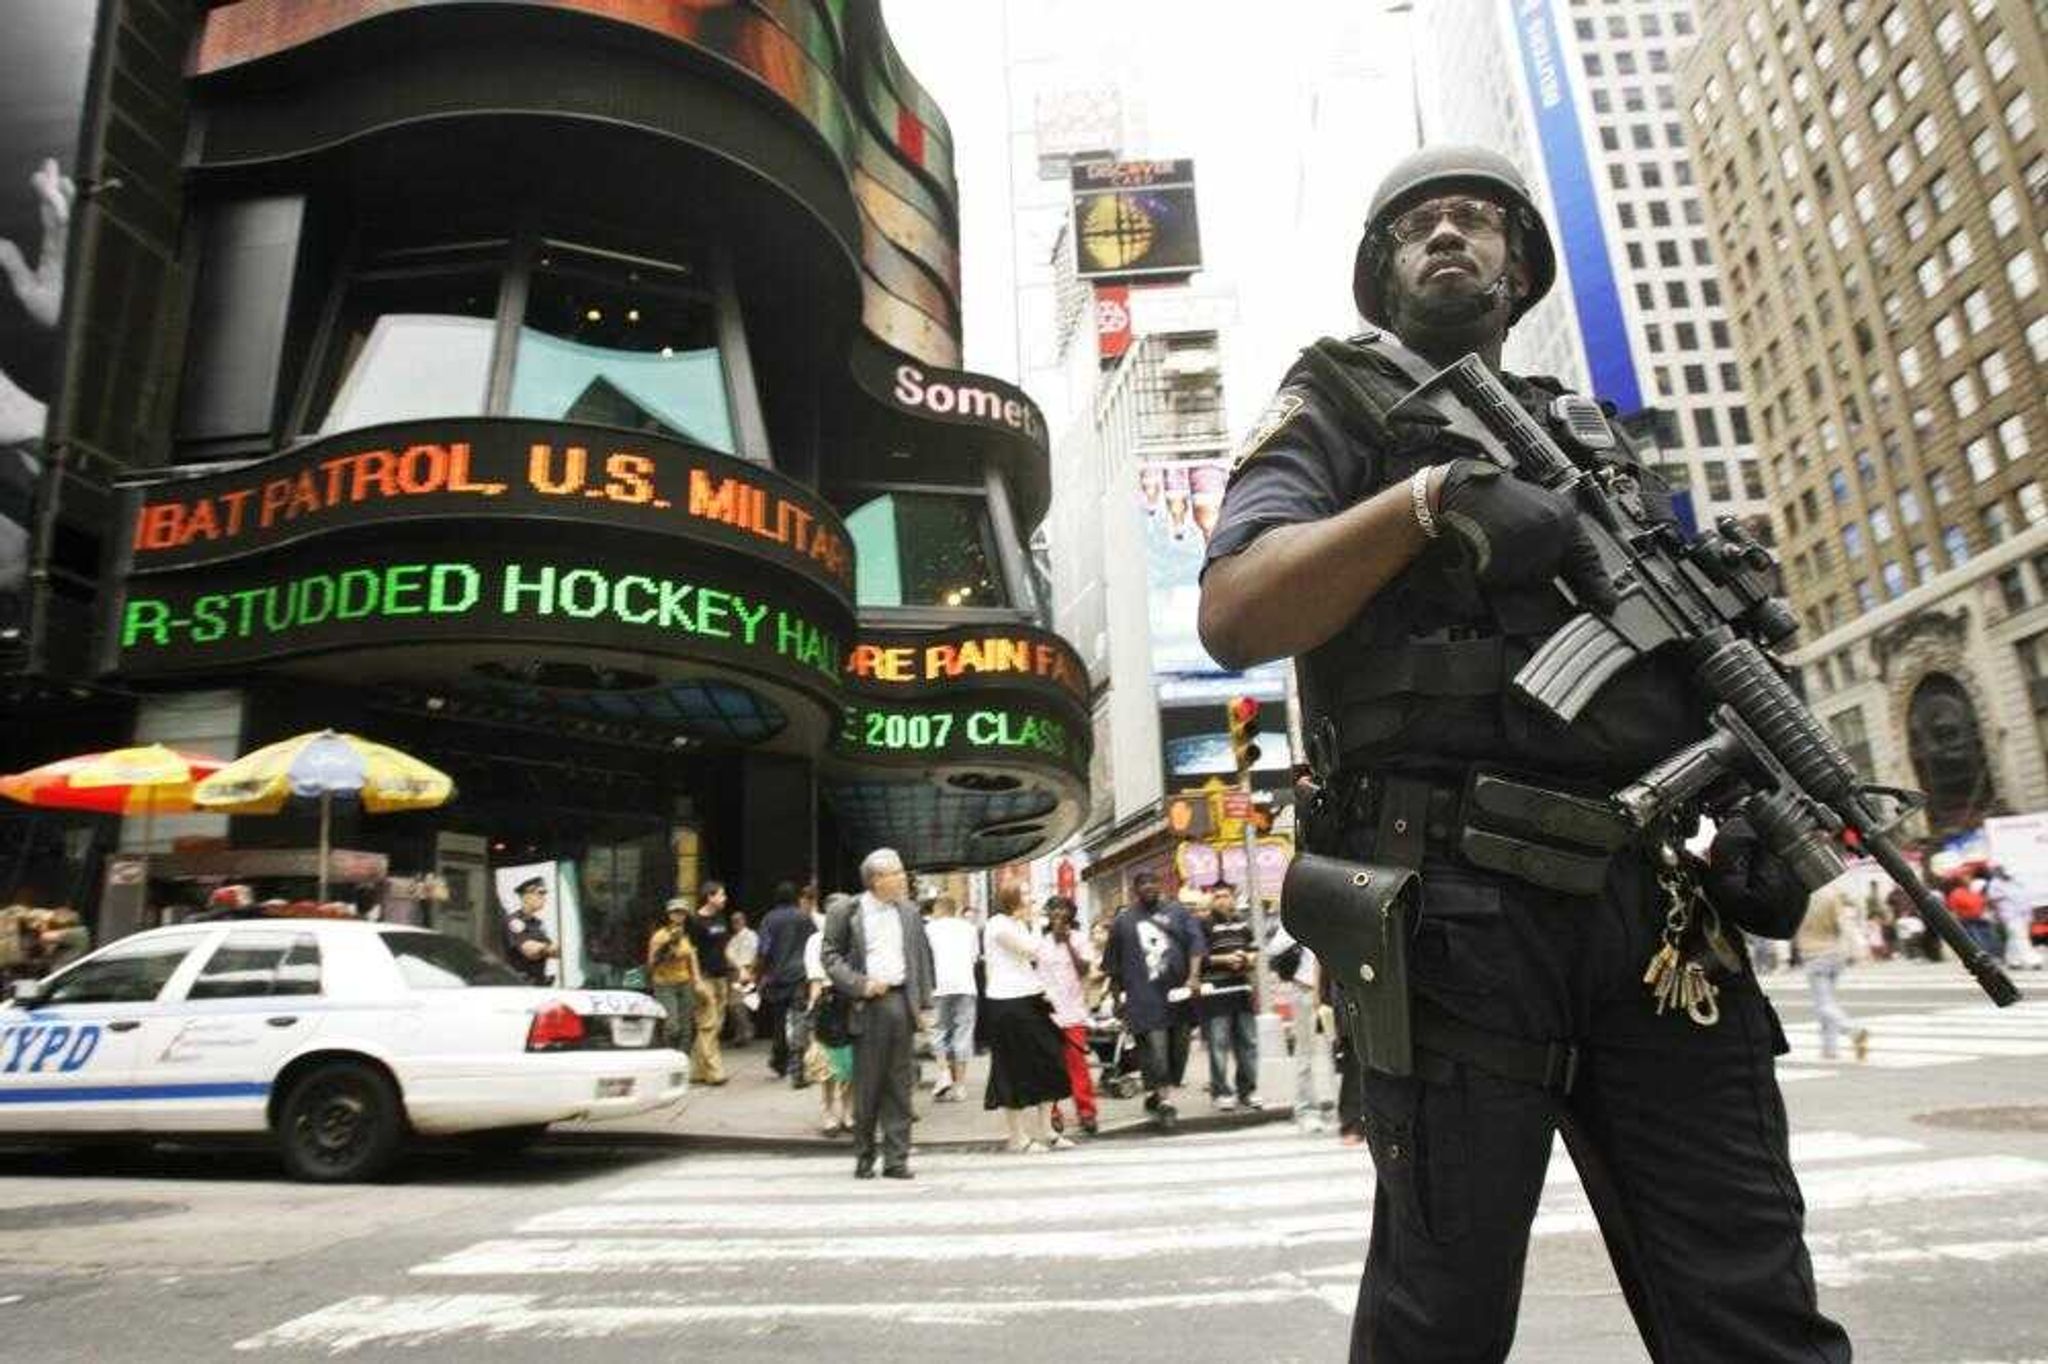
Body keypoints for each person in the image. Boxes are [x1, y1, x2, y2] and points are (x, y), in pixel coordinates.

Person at [1197, 145, 1850, 1361]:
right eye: (1416, 226)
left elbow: (1682, 655)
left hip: (1656, 913)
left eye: (1476, 220)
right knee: (1437, 1317)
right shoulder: (1338, 402)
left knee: (1750, 1297)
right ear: (1378, 271)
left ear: (1520, 266)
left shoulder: (1592, 437)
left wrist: (1756, 803)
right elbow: (1236, 611)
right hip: (1453, 911)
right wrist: (1427, 500)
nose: (1446, 237)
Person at [820, 849, 934, 1179]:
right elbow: (829, 956)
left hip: (901, 1000)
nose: (903, 878)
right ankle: (865, 1155)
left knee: (900, 1085)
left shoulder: (909, 912)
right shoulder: (847, 910)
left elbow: (920, 958)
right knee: (868, 1085)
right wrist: (859, 984)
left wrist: (924, 1005)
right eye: (896, 873)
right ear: (875, 880)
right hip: (867, 1004)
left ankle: (897, 1159)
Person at [1100, 870, 1203, 1132]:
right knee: (1156, 1050)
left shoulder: (1178, 913)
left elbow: (1196, 945)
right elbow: (1113, 966)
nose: (1148, 887)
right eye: (1142, 883)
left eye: (1152, 882)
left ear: (1159, 885)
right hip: (1144, 998)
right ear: (1136, 889)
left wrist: (1193, 978)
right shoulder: (1123, 922)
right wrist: (1116, 999)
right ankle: (1166, 1102)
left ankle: (1156, 1093)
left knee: (1178, 1051)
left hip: (1178, 996)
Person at [980, 885, 1072, 1152]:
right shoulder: (999, 926)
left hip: (1031, 997)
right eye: (1026, 896)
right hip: (1007, 1002)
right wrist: (1037, 925)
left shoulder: (1018, 923)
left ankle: (1047, 1129)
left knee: (1050, 1057)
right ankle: (1017, 1136)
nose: (1032, 900)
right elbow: (1033, 951)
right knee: (1012, 1066)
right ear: (1013, 902)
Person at [1267, 920, 1337, 1134]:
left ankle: (1339, 1107)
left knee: (1337, 1052)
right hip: (1306, 991)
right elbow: (1274, 948)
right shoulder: (1297, 917)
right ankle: (1307, 1110)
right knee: (1305, 1053)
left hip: (1332, 992)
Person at [1037, 896, 1099, 1136]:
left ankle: (1086, 1112)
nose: (1058, 914)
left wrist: (1068, 943)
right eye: (1054, 910)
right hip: (1048, 1014)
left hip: (1073, 1012)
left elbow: (1085, 970)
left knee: (1077, 1064)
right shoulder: (1040, 943)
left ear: (1071, 914)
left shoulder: (1080, 939)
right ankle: (1053, 1113)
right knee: (1051, 1066)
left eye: (1063, 910)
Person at [1197, 882, 1261, 1111]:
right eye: (1217, 897)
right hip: (1216, 993)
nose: (1222, 900)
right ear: (1211, 900)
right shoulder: (1204, 925)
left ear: (1233, 898)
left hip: (1241, 991)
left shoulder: (1243, 924)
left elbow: (1254, 951)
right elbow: (1199, 958)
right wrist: (1225, 960)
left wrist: (1246, 958)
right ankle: (1221, 1091)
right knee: (1218, 1044)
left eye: (1226, 896)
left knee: (1248, 1044)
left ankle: (1248, 1091)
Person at [1797, 873, 1870, 1062]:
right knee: (1828, 1001)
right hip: (1835, 953)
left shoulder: (1799, 898)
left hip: (1813, 954)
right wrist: (1857, 949)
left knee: (1824, 1004)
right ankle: (1829, 1048)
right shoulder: (1832, 894)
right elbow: (1844, 924)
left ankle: (1853, 1030)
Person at [755, 880, 816, 1081]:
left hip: (777, 976)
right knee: (799, 1018)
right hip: (800, 975)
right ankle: (798, 1061)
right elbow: (815, 943)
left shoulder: (769, 919)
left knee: (779, 1020)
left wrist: (759, 974)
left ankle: (779, 1060)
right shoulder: (804, 918)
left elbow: (764, 950)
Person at [805, 892, 855, 1133]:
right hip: (828, 1000)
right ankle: (828, 1112)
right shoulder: (816, 940)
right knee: (827, 1063)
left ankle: (847, 1111)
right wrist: (812, 1011)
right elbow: (815, 979)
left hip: (852, 1002)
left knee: (849, 1062)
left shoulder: (855, 939)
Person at [923, 894, 980, 1101]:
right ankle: (960, 1087)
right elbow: (974, 958)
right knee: (963, 1033)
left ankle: (944, 1073)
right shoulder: (970, 929)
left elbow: (924, 958)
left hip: (939, 986)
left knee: (938, 1031)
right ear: (955, 909)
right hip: (966, 985)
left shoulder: (929, 929)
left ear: (938, 909)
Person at [685, 882, 733, 1081]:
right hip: (705, 977)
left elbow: (724, 948)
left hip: (721, 976)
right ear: (709, 897)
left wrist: (738, 967)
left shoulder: (720, 918)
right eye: (721, 895)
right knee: (708, 1023)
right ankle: (714, 1071)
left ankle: (696, 1070)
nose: (724, 898)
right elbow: (691, 952)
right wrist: (696, 979)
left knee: (716, 1024)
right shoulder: (695, 922)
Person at [646, 897, 705, 1053]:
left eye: (682, 913)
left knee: (687, 1026)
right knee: (672, 1026)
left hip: (684, 982)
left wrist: (697, 979)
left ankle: (683, 1058)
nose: (679, 916)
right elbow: (651, 964)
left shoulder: (686, 935)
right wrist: (666, 953)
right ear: (669, 914)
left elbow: (692, 957)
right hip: (664, 984)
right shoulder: (659, 936)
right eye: (676, 912)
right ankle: (668, 1054)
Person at [501, 877, 559, 985]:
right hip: (521, 985)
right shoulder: (514, 921)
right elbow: (530, 950)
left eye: (544, 894)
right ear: (526, 896)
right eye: (540, 893)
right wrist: (560, 948)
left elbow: (552, 950)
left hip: (537, 983)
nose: (544, 898)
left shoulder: (537, 923)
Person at [1986, 865, 2040, 971]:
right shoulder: (1995, 884)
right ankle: (2033, 960)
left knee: (2014, 938)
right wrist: (1997, 915)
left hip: (2023, 915)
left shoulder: (2017, 882)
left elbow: (2026, 898)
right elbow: (1993, 901)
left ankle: (2013, 961)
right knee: (2021, 937)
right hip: (2009, 915)